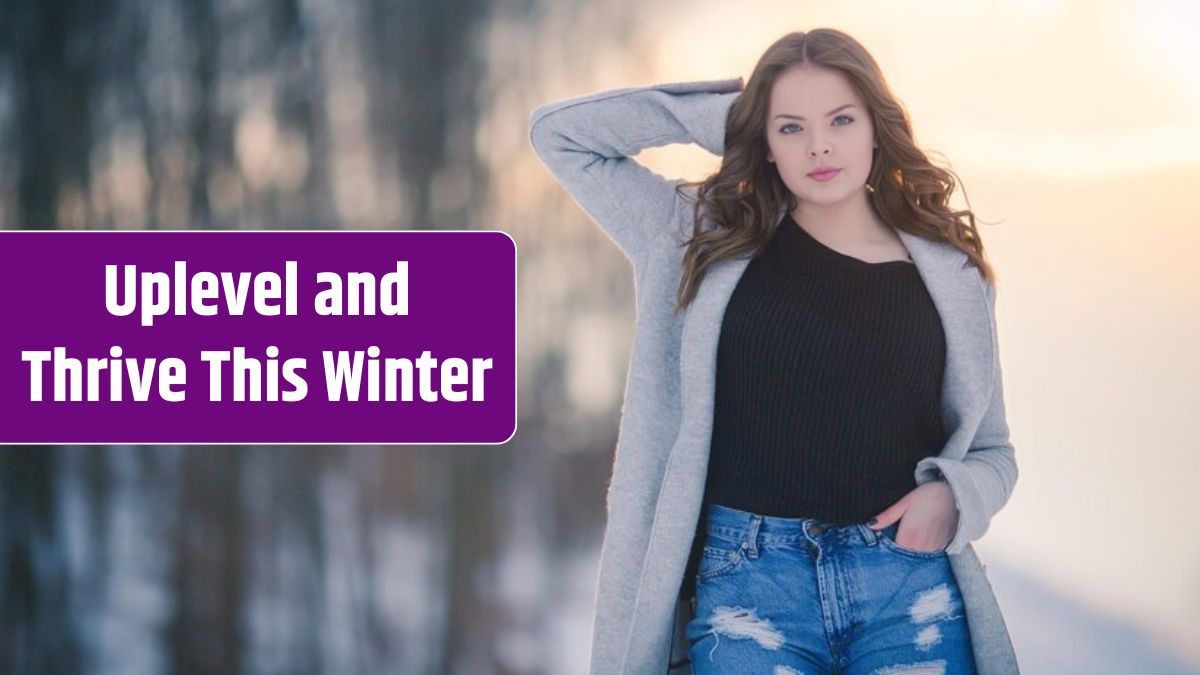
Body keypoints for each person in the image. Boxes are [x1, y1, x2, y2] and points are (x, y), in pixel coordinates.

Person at [529, 28, 1019, 675]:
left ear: (878, 125)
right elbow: (561, 136)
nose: (819, 144)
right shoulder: (696, 234)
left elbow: (994, 453)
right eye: (790, 128)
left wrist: (953, 496)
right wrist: (730, 115)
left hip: (906, 586)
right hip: (750, 585)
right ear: (765, 140)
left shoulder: (952, 276)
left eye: (841, 119)